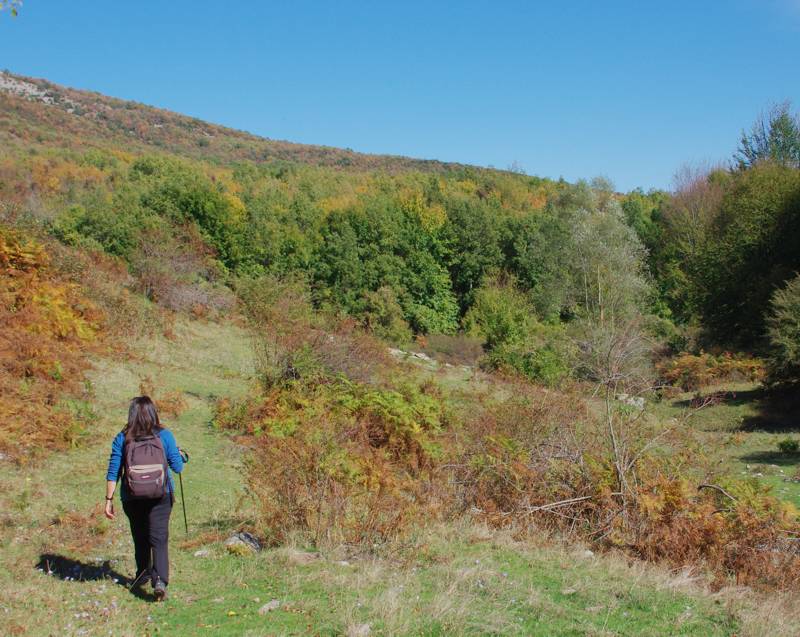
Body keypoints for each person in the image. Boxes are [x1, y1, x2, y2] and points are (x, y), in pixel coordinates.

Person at [104, 396, 185, 601]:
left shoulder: (122, 438)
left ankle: (142, 574)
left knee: (140, 536)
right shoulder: (164, 436)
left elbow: (114, 471)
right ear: (153, 413)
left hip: (132, 497)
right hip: (161, 495)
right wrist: (181, 455)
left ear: (131, 414)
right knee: (159, 537)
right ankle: (160, 581)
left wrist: (108, 500)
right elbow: (178, 467)